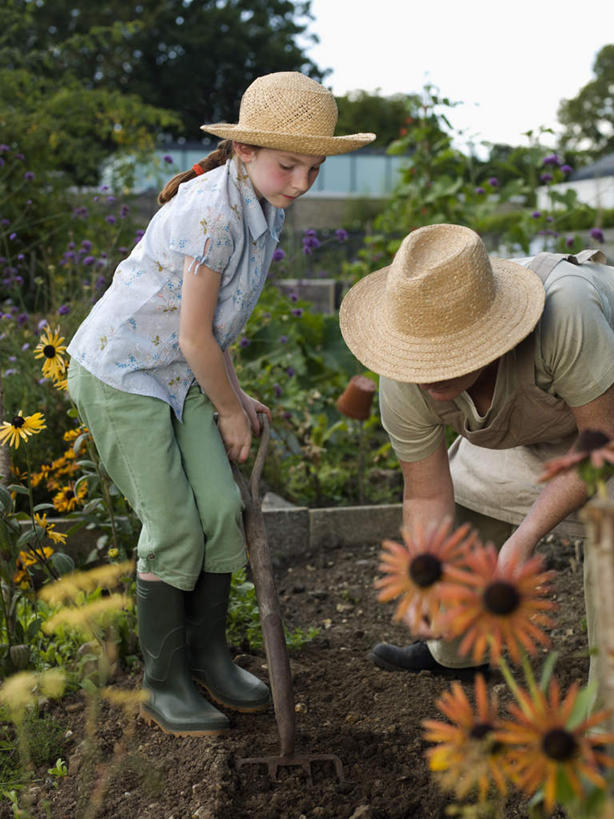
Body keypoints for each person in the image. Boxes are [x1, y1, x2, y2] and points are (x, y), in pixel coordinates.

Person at [66, 71, 375, 736]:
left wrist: (233, 392)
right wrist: (229, 410)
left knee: (221, 505)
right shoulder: (211, 217)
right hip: (124, 375)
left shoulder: (263, 206)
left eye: (314, 170)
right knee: (175, 524)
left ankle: (209, 655)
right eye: (288, 166)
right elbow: (190, 334)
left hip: (182, 374)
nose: (300, 183)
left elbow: (210, 332)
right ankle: (163, 680)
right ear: (245, 152)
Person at [339, 223, 614, 697]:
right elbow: (426, 492)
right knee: (464, 506)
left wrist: (526, 537)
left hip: (602, 418)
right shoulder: (403, 374)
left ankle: (605, 723)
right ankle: (459, 655)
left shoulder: (566, 315)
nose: (428, 375)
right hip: (543, 421)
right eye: (419, 359)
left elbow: (601, 440)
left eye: (447, 357)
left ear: (494, 336)